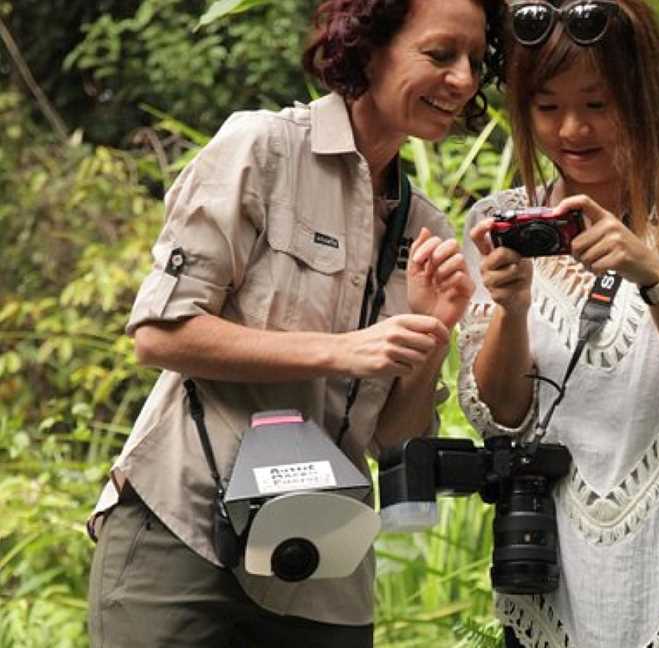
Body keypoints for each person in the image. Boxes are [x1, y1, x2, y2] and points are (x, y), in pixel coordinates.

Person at [86, 0, 506, 646]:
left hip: (324, 574)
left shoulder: (426, 231)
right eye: (441, 54)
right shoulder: (264, 151)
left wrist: (429, 336)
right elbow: (159, 333)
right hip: (184, 539)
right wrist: (342, 351)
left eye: (476, 61)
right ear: (369, 47)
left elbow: (392, 440)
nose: (464, 79)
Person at [458, 1, 659, 647]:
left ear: (642, 93)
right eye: (546, 107)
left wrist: (658, 279)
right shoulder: (503, 221)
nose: (572, 128)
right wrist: (512, 311)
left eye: (598, 104)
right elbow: (502, 413)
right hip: (551, 583)